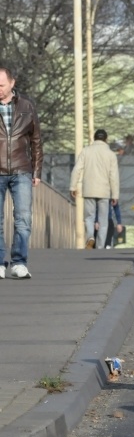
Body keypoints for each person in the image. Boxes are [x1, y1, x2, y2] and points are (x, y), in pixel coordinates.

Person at [0, 66, 42, 279]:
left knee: (23, 218)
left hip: (21, 169)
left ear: (12, 83)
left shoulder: (26, 106)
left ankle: (19, 262)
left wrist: (36, 170)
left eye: (1, 85)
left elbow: (36, 141)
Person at [70, 129, 120, 250]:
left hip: (89, 189)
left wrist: (73, 186)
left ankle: (90, 237)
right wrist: (115, 195)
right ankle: (100, 246)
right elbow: (114, 176)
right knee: (103, 220)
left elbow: (77, 169)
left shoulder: (86, 151)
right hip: (104, 191)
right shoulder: (111, 154)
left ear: (94, 138)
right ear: (106, 139)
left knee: (89, 217)